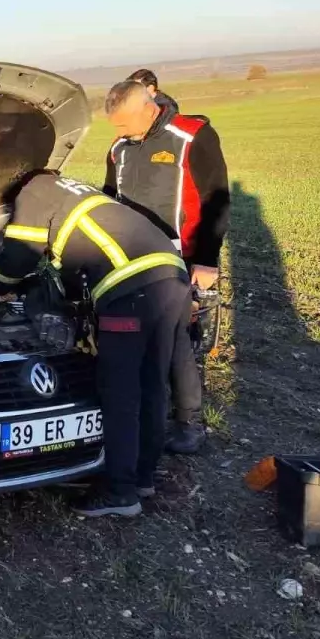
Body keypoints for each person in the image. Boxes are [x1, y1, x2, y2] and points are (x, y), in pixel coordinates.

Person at [0, 170, 191, 518]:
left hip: (128, 289)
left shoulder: (34, 192)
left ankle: (119, 492)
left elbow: (18, 257)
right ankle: (142, 478)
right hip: (172, 277)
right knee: (152, 384)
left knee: (120, 392)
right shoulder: (71, 189)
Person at [102, 80, 229, 454]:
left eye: (125, 123)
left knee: (175, 342)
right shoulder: (119, 147)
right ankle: (143, 414)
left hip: (178, 258)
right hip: (128, 260)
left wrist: (206, 258)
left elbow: (216, 199)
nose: (120, 133)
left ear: (150, 106)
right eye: (116, 126)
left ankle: (189, 423)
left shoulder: (192, 136)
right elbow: (109, 199)